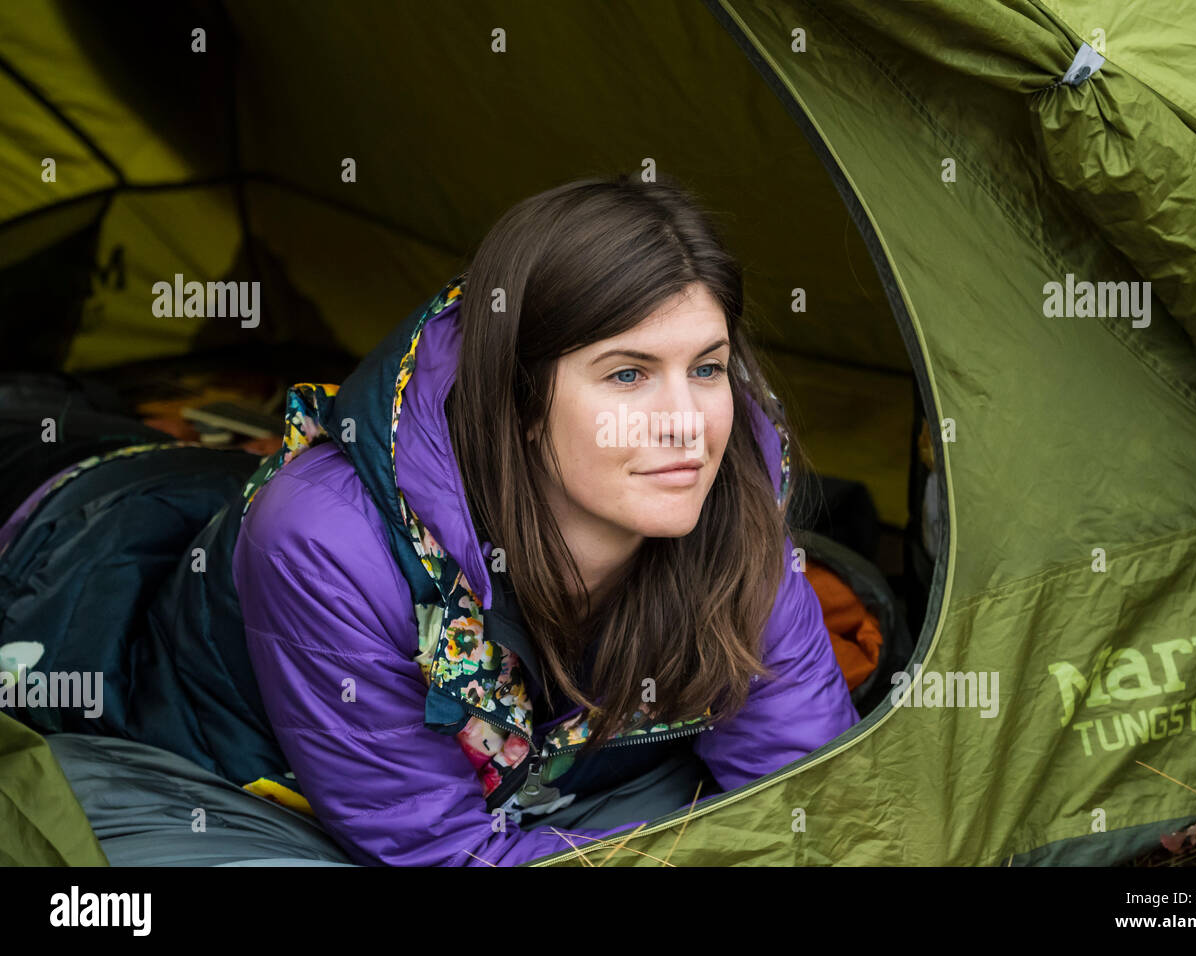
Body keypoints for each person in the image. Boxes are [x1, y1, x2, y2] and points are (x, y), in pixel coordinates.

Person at [231, 172, 859, 867]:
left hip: (551, 787)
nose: (688, 426)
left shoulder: (732, 500)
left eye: (706, 369)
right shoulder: (326, 542)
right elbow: (439, 853)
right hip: (230, 775)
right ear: (521, 398)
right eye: (628, 374)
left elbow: (820, 800)